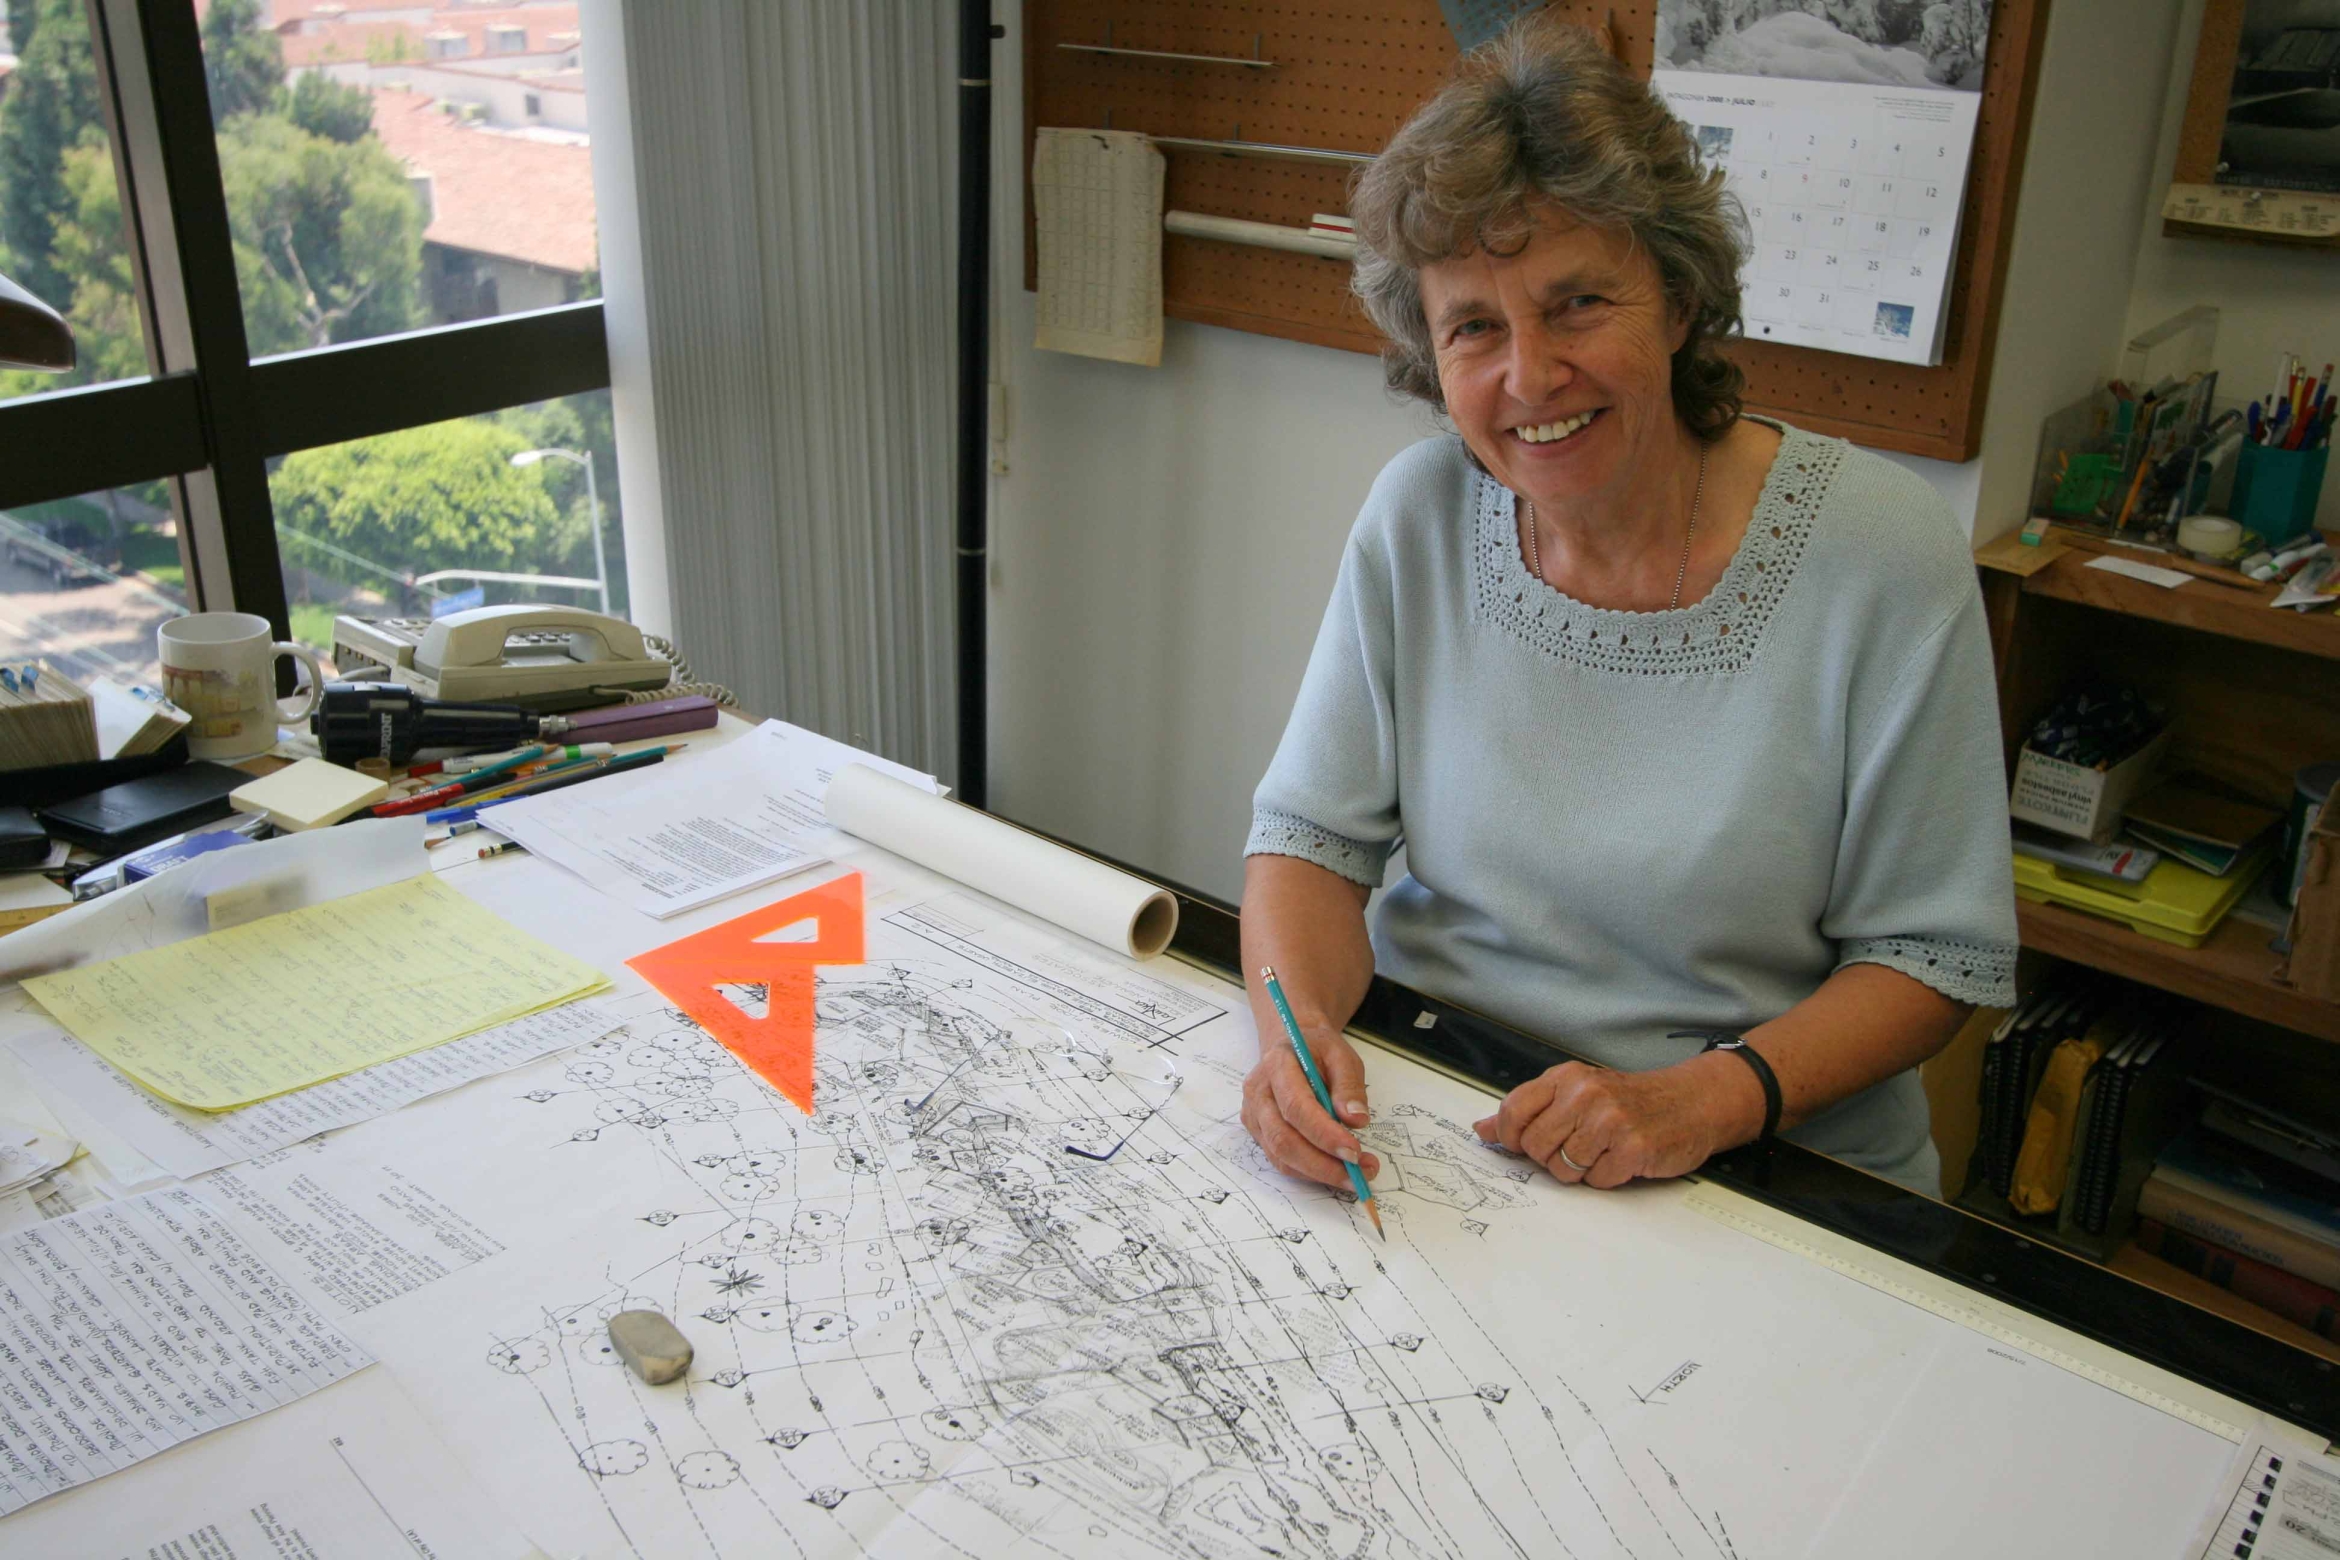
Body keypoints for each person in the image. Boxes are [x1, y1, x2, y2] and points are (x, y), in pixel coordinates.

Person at [1236, 18, 2016, 1201]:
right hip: (1450, 1115)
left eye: (1580, 303)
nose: (1530, 377)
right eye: (1475, 328)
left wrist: (1699, 1100)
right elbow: (1310, 842)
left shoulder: (1882, 554)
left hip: (1768, 1168)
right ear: (1427, 351)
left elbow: (1933, 956)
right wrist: (1295, 1044)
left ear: (1684, 298)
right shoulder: (1419, 514)